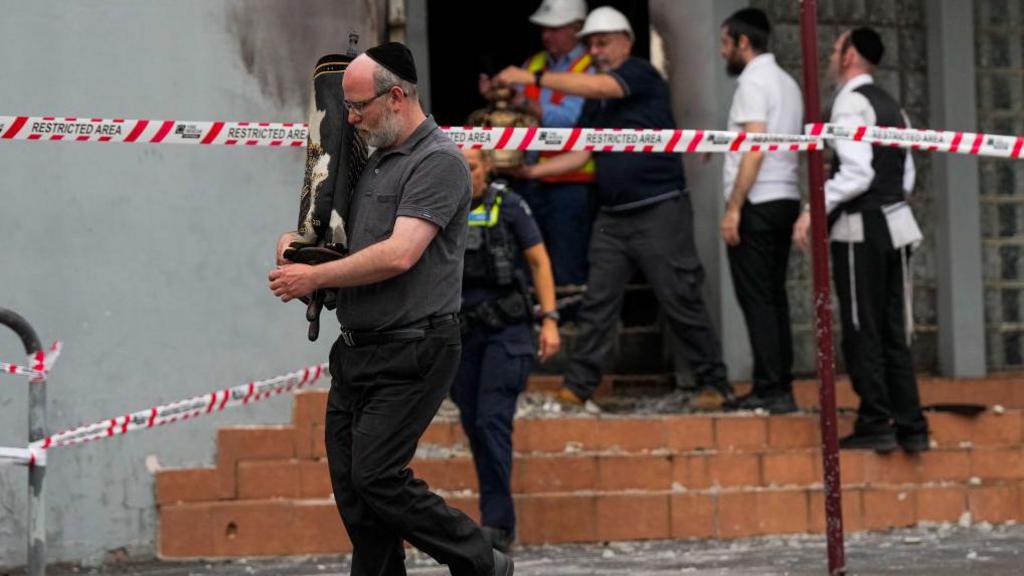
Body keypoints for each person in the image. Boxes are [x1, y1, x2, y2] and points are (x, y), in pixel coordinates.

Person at [269, 42, 514, 576]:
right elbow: (345, 243)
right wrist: (298, 244)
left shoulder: (439, 162)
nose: (350, 118)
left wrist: (315, 276)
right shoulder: (370, 161)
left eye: (359, 106)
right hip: (357, 349)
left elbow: (399, 254)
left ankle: (479, 560)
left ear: (397, 97)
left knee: (377, 476)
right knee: (355, 494)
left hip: (414, 349)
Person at [495, 7, 734, 410]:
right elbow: (582, 153)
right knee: (598, 302)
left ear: (627, 40)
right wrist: (531, 171)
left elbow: (603, 87)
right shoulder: (596, 101)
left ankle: (715, 383)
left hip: (659, 208)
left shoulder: (639, 75)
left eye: (603, 42)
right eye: (591, 44)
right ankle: (579, 387)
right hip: (614, 215)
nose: (597, 51)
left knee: (680, 295)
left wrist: (529, 78)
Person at [793, 28, 929, 454]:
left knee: (860, 325)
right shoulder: (894, 108)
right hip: (897, 223)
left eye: (836, 49)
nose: (833, 57)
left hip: (861, 228)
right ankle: (911, 425)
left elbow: (856, 173)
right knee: (892, 328)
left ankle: (875, 421)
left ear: (849, 55)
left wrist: (814, 210)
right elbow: (905, 177)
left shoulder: (850, 103)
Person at [452, 148, 560, 553]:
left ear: (488, 167)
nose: (467, 175)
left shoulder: (510, 206)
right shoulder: (442, 206)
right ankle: (495, 520)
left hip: (507, 333)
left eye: (473, 167)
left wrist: (549, 319)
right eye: (459, 167)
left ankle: (498, 525)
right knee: (474, 424)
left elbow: (539, 261)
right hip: (463, 336)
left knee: (491, 421)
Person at [480, 0, 596, 303]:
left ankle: (568, 331)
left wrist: (525, 104)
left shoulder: (591, 68)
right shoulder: (533, 63)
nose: (547, 35)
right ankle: (531, 325)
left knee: (566, 262)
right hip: (526, 179)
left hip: (570, 183)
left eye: (555, 29)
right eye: (544, 28)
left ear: (577, 29)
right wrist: (497, 94)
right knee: (523, 259)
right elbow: (512, 105)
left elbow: (571, 121)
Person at [718, 8, 803, 414]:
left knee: (757, 298)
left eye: (725, 43)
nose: (723, 53)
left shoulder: (753, 83)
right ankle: (778, 383)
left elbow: (755, 144)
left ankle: (771, 389)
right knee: (773, 297)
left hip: (758, 201)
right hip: (785, 196)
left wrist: (734, 206)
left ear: (743, 42)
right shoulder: (786, 82)